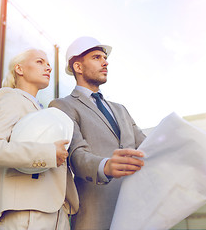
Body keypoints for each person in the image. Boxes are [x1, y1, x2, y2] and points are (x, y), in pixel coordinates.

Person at [49, 37, 146, 229]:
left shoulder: (121, 109)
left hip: (134, 211)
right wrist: (106, 166)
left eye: (105, 57)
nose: (105, 62)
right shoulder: (63, 106)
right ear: (78, 67)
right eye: (96, 57)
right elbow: (75, 154)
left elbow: (145, 146)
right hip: (95, 214)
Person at [0, 49, 78, 230]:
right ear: (19, 69)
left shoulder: (40, 110)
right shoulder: (9, 97)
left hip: (56, 212)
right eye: (40, 62)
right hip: (27, 213)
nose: (48, 67)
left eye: (48, 64)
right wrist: (48, 153)